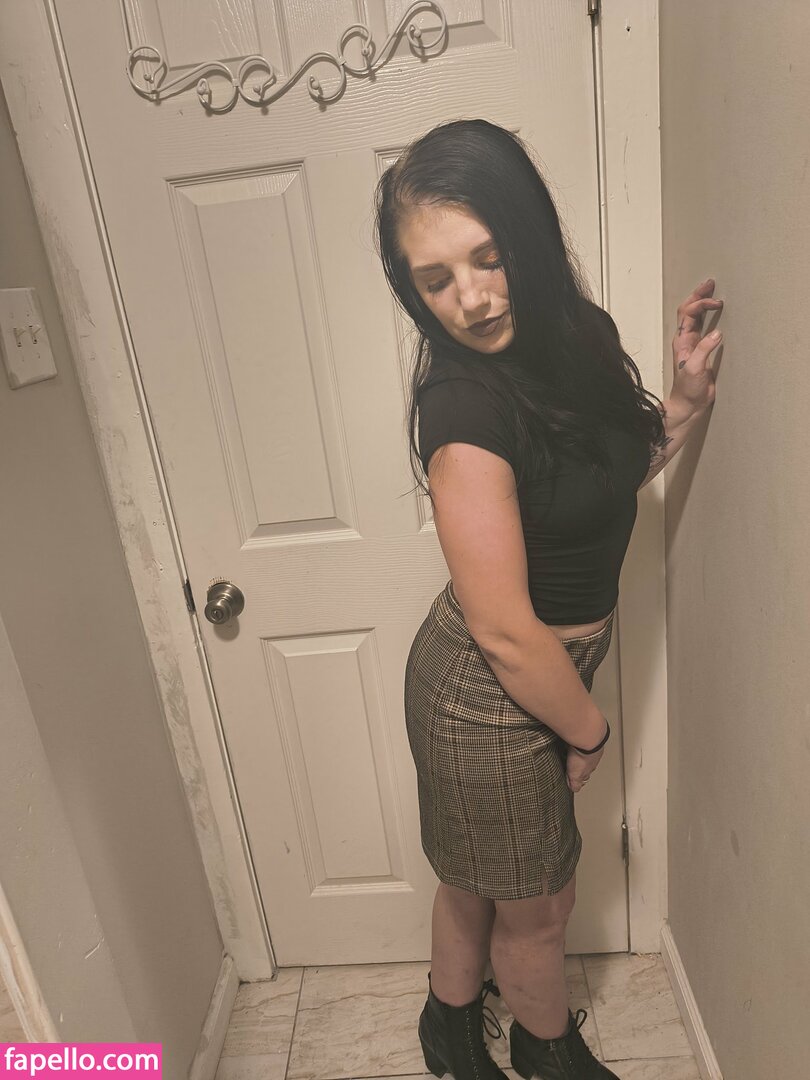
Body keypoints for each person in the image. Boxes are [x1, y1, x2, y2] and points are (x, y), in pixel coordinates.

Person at [374, 119, 722, 1080]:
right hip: (489, 692)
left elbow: (601, 480)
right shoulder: (462, 411)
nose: (472, 298)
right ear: (412, 289)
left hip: (533, 673)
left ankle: (449, 1029)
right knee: (539, 907)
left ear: (527, 234)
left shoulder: (578, 337)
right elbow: (502, 630)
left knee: (479, 879)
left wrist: (683, 405)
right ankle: (546, 1051)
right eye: (436, 279)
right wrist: (589, 730)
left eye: (488, 258)